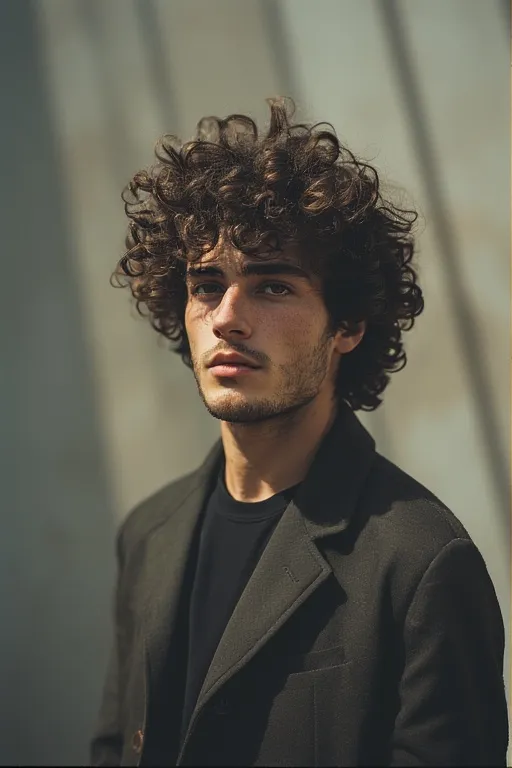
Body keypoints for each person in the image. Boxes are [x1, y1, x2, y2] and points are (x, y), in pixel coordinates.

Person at [90, 97, 508, 767]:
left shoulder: (422, 562)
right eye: (205, 285)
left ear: (347, 325)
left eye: (272, 287)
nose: (227, 317)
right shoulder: (147, 534)